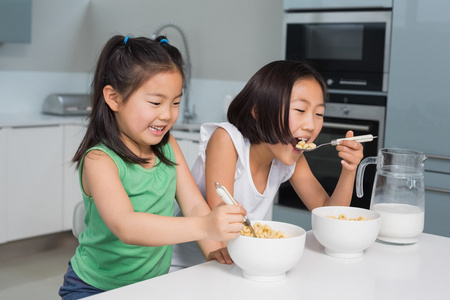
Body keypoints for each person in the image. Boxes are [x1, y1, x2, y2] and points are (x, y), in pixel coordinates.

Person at [58, 35, 246, 299]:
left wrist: (215, 252)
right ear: (113, 98)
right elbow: (127, 226)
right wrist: (205, 226)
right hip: (93, 287)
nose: (167, 114)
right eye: (156, 103)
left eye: (175, 102)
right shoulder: (99, 160)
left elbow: (193, 205)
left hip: (151, 285)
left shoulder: (169, 146)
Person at [171, 60, 365, 270]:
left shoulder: (288, 155)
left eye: (318, 114)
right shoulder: (227, 140)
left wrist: (349, 169)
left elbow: (330, 215)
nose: (310, 125)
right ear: (258, 111)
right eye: (300, 109)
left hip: (239, 263)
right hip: (190, 268)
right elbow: (221, 223)